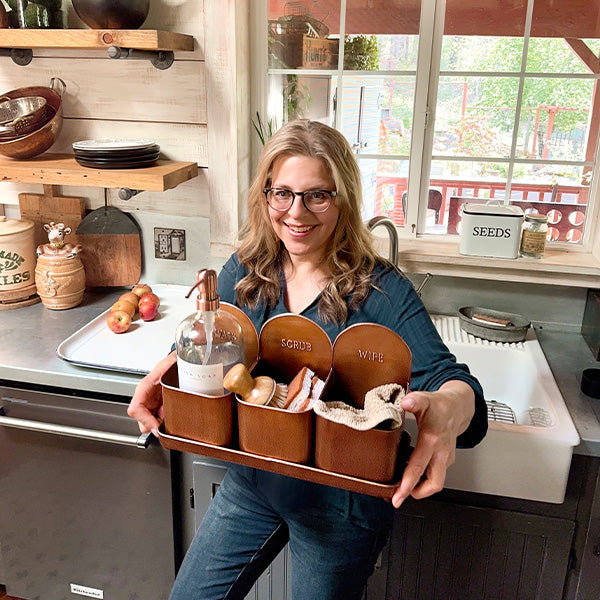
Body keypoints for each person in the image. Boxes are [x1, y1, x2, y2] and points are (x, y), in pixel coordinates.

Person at [128, 119, 487, 600]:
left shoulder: (383, 291)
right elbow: (213, 340)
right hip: (255, 481)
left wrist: (446, 410)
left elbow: (460, 390)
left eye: (317, 195)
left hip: (341, 506)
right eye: (283, 194)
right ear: (266, 197)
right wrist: (164, 369)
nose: (297, 213)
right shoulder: (247, 269)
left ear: (343, 200)